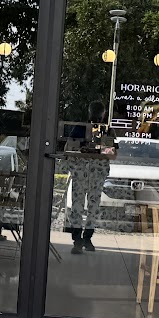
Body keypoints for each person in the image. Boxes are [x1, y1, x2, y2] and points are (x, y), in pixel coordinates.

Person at [62, 100, 116, 252]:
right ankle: (82, 239)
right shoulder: (83, 128)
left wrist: (96, 149)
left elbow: (112, 154)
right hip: (86, 172)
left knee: (83, 206)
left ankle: (82, 239)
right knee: (87, 206)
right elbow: (70, 149)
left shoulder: (103, 130)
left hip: (91, 173)